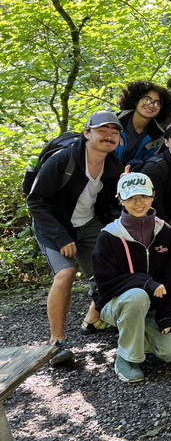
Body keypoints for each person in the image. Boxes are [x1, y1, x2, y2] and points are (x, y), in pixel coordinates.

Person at [27, 111, 124, 366]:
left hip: (88, 223)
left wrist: (122, 190)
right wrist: (61, 238)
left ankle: (92, 319)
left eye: (114, 132)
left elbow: (109, 203)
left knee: (112, 266)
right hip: (54, 225)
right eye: (102, 130)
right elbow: (35, 201)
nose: (109, 136)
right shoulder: (63, 159)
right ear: (87, 132)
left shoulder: (112, 163)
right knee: (65, 274)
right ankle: (57, 342)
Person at [92, 173, 171, 382]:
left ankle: (136, 333)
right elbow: (106, 284)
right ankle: (126, 357)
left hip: (153, 306)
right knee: (137, 296)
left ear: (153, 196)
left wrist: (167, 315)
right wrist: (146, 283)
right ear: (120, 200)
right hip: (117, 302)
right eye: (130, 197)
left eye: (144, 196)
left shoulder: (165, 231)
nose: (138, 202)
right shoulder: (108, 235)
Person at [115, 80, 171, 166]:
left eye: (157, 103)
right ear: (136, 101)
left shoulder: (158, 135)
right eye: (147, 99)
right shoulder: (114, 122)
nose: (151, 105)